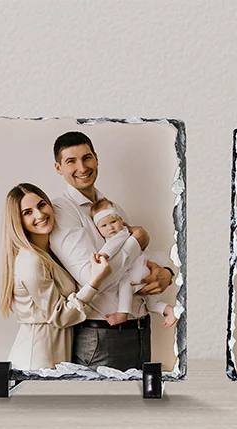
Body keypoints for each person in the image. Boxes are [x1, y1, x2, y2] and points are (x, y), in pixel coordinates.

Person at [49, 131, 175, 371]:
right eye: (71, 161)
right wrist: (138, 239)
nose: (82, 167)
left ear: (96, 159)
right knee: (104, 407)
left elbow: (134, 265)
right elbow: (91, 278)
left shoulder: (111, 207)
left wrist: (165, 274)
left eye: (87, 158)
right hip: (102, 337)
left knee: (142, 408)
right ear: (58, 168)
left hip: (140, 329)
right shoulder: (62, 212)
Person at [0, 183, 112, 370]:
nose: (39, 214)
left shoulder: (51, 255)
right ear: (17, 221)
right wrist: (94, 282)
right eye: (27, 212)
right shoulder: (31, 260)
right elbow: (60, 316)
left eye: (41, 205)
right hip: (37, 359)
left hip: (55, 355)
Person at [90, 198, 178, 328]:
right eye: (104, 225)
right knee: (151, 303)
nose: (110, 227)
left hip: (138, 269)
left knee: (126, 285)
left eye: (113, 222)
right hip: (140, 269)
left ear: (121, 220)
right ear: (97, 228)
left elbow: (113, 246)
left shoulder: (122, 233)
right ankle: (169, 310)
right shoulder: (113, 234)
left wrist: (103, 254)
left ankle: (122, 313)